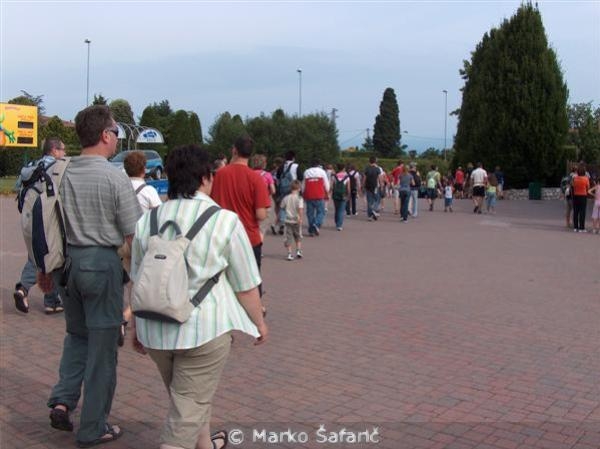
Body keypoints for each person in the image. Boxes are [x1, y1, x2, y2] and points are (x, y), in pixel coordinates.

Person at [130, 144, 268, 449]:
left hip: (155, 328)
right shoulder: (224, 221)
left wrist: (136, 326)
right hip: (204, 329)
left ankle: (205, 445)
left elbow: (138, 279)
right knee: (188, 406)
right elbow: (245, 285)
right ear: (206, 177)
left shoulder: (148, 221)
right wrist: (258, 322)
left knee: (188, 400)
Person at [42, 105, 142, 447]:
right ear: (104, 135)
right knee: (102, 350)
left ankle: (62, 399)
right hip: (101, 265)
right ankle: (93, 426)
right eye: (115, 132)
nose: (116, 137)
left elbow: (45, 222)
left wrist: (43, 268)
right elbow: (134, 234)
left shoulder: (61, 171)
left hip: (67, 264)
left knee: (76, 336)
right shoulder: (114, 177)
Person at [211, 136, 271, 304]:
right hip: (249, 237)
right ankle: (255, 310)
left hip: (222, 236)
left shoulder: (220, 175)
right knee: (252, 280)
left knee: (223, 280)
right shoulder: (256, 178)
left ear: (234, 150)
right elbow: (261, 214)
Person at [13, 137, 66, 314]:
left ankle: (50, 299)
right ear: (54, 150)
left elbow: (17, 187)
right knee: (46, 255)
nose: (64, 153)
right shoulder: (56, 167)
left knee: (40, 253)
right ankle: (26, 289)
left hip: (28, 216)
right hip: (46, 217)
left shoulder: (32, 166)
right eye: (62, 150)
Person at [120, 150, 162, 345]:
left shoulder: (120, 187)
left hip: (120, 242)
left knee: (128, 281)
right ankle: (128, 316)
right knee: (140, 283)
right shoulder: (149, 191)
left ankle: (125, 315)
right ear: (144, 169)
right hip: (140, 242)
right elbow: (159, 214)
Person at [275, 151, 301, 234]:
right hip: (294, 188)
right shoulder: (296, 166)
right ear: (293, 158)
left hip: (283, 189)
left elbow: (277, 177)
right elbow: (300, 177)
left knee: (283, 206)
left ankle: (282, 223)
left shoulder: (282, 166)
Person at [250, 154, 276, 240]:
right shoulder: (268, 175)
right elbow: (273, 190)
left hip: (251, 202)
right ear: (264, 163)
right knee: (261, 229)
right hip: (264, 202)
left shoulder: (249, 173)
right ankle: (259, 245)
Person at [302, 159, 330, 236]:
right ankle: (316, 224)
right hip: (319, 194)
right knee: (321, 212)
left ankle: (311, 229)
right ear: (318, 164)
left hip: (309, 195)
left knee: (310, 213)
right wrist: (327, 191)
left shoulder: (306, 172)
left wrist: (302, 192)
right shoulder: (322, 172)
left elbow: (303, 184)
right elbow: (326, 184)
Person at [280, 180, 304, 260]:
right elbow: (300, 209)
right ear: (299, 189)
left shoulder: (286, 198)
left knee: (288, 237)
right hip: (296, 220)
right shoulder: (299, 198)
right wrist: (300, 218)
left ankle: (289, 253)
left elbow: (282, 207)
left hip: (288, 220)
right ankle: (298, 250)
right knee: (298, 235)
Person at [571, 164, 590, 232]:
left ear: (578, 172)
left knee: (576, 212)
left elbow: (572, 186)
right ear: (584, 172)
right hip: (583, 196)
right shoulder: (586, 179)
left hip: (576, 196)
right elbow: (588, 187)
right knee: (582, 212)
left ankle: (575, 227)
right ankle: (582, 228)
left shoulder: (575, 179)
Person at [331, 163, 351, 231]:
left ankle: (337, 222)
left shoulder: (334, 176)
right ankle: (339, 225)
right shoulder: (347, 177)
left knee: (337, 209)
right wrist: (349, 195)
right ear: (343, 168)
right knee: (341, 210)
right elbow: (348, 187)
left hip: (335, 195)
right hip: (343, 195)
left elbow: (332, 186)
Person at [363, 156, 382, 221]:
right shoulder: (377, 169)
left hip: (368, 186)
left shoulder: (366, 168)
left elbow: (364, 178)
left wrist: (363, 185)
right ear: (375, 161)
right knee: (377, 199)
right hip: (375, 186)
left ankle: (369, 216)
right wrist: (381, 185)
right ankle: (374, 209)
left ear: (369, 161)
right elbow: (379, 178)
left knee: (369, 201)